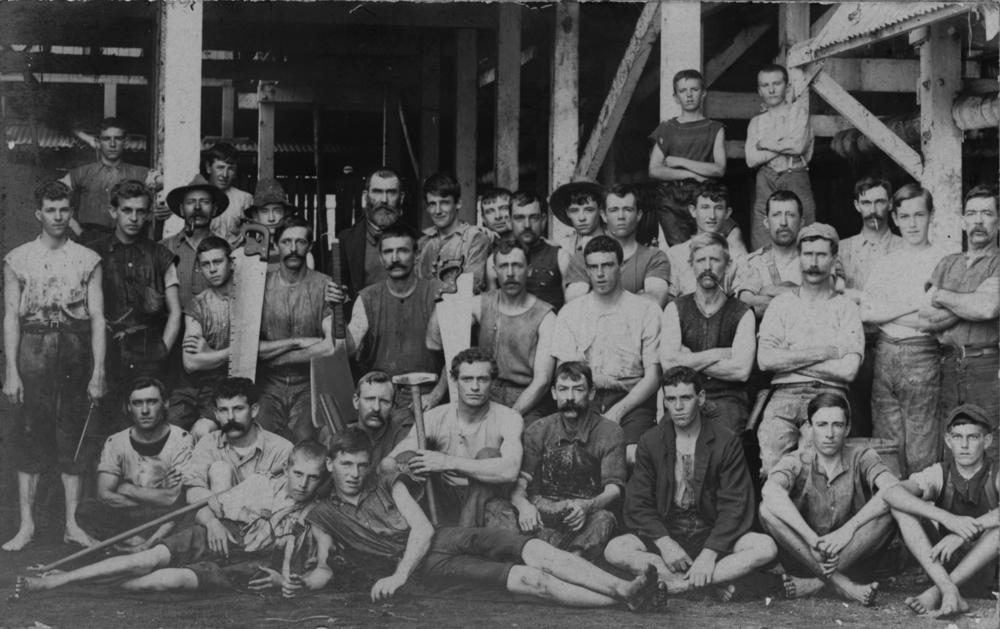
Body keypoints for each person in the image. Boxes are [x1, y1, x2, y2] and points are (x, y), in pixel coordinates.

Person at [306, 427, 661, 610]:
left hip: (440, 538)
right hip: (426, 570)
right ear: (329, 463)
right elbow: (323, 566)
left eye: (361, 464)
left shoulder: (384, 481)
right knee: (529, 579)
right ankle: (624, 598)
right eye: (345, 464)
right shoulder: (323, 513)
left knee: (533, 548)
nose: (354, 473)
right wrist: (292, 580)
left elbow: (423, 528)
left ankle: (622, 587)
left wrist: (398, 575)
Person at [16, 441, 330, 598]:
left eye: (312, 478)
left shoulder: (318, 514)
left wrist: (279, 580)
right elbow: (205, 507)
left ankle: (80, 584)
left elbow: (308, 568)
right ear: (287, 468)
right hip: (217, 536)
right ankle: (55, 580)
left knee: (164, 580)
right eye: (298, 473)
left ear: (321, 479)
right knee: (148, 558)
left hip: (247, 564)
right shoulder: (261, 483)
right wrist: (214, 523)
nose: (303, 483)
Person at [605, 367, 777, 599]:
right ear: (664, 401)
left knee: (765, 547)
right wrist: (665, 543)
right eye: (671, 399)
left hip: (711, 534)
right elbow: (638, 502)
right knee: (615, 549)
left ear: (701, 398)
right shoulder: (651, 441)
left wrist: (709, 554)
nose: (678, 407)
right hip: (669, 532)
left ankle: (679, 585)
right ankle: (707, 581)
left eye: (686, 398)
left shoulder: (726, 441)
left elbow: (735, 504)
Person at [2, 180, 107, 551]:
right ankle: (27, 525)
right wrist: (12, 372)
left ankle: (71, 524)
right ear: (38, 213)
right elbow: (11, 317)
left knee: (72, 436)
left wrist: (98, 371)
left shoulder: (86, 258)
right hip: (32, 348)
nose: (58, 216)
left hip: (75, 348)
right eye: (51, 209)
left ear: (71, 211)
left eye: (64, 209)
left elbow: (97, 318)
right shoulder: (18, 258)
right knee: (30, 433)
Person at [759, 392, 897, 607]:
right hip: (804, 555)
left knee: (892, 508)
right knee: (766, 509)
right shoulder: (796, 460)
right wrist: (812, 540)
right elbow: (770, 490)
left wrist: (848, 530)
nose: (830, 433)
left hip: (853, 556)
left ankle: (815, 583)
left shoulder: (862, 456)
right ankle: (843, 585)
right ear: (809, 428)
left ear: (847, 428)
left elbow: (893, 487)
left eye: (837, 425)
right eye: (822, 425)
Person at [756, 223, 864, 475]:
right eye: (807, 254)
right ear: (799, 257)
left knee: (817, 472)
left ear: (834, 259)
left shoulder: (846, 308)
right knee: (773, 471)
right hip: (782, 397)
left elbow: (848, 371)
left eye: (821, 255)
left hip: (829, 396)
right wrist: (824, 352)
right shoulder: (781, 304)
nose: (813, 262)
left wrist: (790, 359)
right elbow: (765, 360)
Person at [170, 237, 304, 438]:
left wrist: (212, 354)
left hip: (228, 384)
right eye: (206, 264)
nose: (212, 269)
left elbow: (258, 352)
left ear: (231, 263)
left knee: (202, 430)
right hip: (192, 386)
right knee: (171, 433)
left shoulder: (252, 300)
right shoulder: (197, 304)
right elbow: (191, 363)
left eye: (218, 262)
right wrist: (238, 349)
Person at [551, 236, 662, 464]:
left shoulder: (646, 310)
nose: (600, 274)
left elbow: (653, 376)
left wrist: (618, 411)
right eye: (593, 267)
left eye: (607, 265)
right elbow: (566, 373)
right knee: (573, 456)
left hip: (631, 399)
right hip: (583, 397)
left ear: (621, 266)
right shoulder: (571, 313)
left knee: (632, 457)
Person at [861, 184, 947, 475]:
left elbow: (934, 318)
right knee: (886, 442)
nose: (912, 223)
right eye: (905, 216)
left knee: (922, 443)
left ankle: (922, 518)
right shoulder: (887, 262)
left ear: (930, 216)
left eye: (919, 215)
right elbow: (867, 313)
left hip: (923, 355)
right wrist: (911, 305)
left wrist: (890, 311)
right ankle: (890, 516)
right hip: (885, 355)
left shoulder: (942, 260)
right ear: (894, 218)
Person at [387, 348, 524, 528]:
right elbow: (393, 461)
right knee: (410, 460)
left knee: (488, 454)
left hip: (487, 501)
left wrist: (448, 462)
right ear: (454, 380)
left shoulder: (509, 418)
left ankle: (461, 537)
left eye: (482, 379)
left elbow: (510, 470)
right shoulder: (434, 417)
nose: (475, 387)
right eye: (467, 379)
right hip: (443, 501)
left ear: (493, 382)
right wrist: (408, 462)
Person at [885, 404, 999, 618]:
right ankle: (947, 590)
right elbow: (892, 493)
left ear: (987, 441)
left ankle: (937, 593)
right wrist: (948, 519)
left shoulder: (996, 472)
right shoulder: (940, 473)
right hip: (944, 565)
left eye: (973, 437)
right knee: (902, 509)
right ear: (948, 441)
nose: (964, 445)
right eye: (957, 437)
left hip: (988, 573)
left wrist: (963, 533)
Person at [507, 362, 626, 559]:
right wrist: (523, 506)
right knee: (497, 509)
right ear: (554, 393)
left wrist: (588, 506)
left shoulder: (611, 432)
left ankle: (571, 561)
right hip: (542, 512)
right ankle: (531, 554)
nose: (570, 397)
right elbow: (520, 483)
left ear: (591, 393)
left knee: (605, 519)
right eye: (563, 389)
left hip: (583, 516)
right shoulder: (538, 429)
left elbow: (614, 490)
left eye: (578, 389)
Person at [430, 240, 556, 423]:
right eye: (504, 266)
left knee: (525, 439)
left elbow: (542, 382)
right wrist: (446, 296)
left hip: (526, 401)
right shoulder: (481, 304)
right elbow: (439, 342)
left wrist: (509, 418)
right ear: (495, 270)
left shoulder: (546, 316)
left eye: (517, 266)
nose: (510, 273)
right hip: (482, 391)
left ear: (529, 270)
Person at [922, 184, 1000, 463]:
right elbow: (925, 318)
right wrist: (970, 302)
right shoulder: (947, 263)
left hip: (987, 366)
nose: (978, 221)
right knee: (951, 441)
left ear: (998, 220)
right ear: (963, 221)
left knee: (989, 442)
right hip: (947, 364)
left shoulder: (997, 262)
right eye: (972, 213)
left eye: (987, 213)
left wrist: (942, 295)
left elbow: (988, 307)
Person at [88, 179, 181, 410]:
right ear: (113, 211)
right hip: (107, 352)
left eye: (140, 212)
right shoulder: (93, 253)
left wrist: (163, 350)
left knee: (146, 416)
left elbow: (176, 313)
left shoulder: (161, 255)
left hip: (150, 352)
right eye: (127, 210)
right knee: (106, 419)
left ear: (148, 214)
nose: (133, 218)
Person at [331, 224, 445, 409]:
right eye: (388, 252)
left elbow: (456, 356)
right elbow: (349, 350)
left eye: (402, 251)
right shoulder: (368, 298)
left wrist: (435, 396)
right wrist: (336, 310)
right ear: (381, 258)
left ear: (416, 256)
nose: (395, 259)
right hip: (382, 400)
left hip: (428, 398)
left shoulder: (438, 294)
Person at [75, 378, 193, 549]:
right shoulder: (115, 442)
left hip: (166, 517)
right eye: (138, 403)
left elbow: (174, 497)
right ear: (129, 407)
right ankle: (136, 541)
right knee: (87, 510)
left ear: (165, 404)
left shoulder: (181, 439)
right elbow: (104, 494)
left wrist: (126, 488)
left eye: (152, 402)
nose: (145, 410)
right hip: (133, 515)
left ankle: (139, 543)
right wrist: (157, 495)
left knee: (186, 512)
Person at [660, 232, 756, 433]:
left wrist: (686, 360)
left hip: (728, 400)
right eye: (701, 260)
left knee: (720, 450)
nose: (707, 267)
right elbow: (668, 364)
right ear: (691, 265)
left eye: (714, 260)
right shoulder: (675, 309)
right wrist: (718, 353)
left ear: (728, 265)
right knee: (665, 445)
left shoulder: (743, 313)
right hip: (684, 398)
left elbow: (741, 371)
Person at [257, 215, 336, 442]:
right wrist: (298, 341)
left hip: (310, 383)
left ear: (310, 246)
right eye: (286, 242)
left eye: (300, 242)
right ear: (275, 245)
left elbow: (331, 346)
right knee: (262, 437)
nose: (293, 249)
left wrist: (283, 358)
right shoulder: (261, 286)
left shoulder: (324, 285)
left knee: (306, 437)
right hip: (268, 384)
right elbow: (251, 349)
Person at [839, 177, 903, 437]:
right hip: (855, 345)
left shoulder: (903, 247)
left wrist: (857, 296)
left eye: (879, 202)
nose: (873, 209)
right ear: (856, 205)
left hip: (892, 344)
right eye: (866, 202)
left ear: (889, 205)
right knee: (856, 422)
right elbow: (836, 297)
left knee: (890, 425)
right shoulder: (842, 249)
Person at [647, 69, 728, 247]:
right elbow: (654, 170)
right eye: (683, 91)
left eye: (694, 89)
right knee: (681, 251)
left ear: (704, 93)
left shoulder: (715, 128)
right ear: (676, 97)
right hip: (670, 198)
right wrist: (690, 175)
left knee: (707, 246)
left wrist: (679, 161)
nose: (689, 95)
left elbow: (719, 169)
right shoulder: (667, 128)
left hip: (703, 197)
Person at [184, 378, 293, 505]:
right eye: (223, 410)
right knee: (220, 470)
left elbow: (284, 501)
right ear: (216, 414)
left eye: (238, 409)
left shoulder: (282, 449)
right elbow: (192, 492)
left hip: (262, 520)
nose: (230, 417)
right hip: (218, 520)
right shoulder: (207, 443)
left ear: (254, 410)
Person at [565, 184, 672, 307]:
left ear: (639, 215)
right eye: (614, 210)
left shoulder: (654, 257)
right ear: (604, 215)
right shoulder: (582, 258)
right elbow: (575, 306)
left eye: (627, 209)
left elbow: (654, 302)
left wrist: (598, 298)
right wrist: (638, 296)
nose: (621, 216)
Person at [745, 64, 816, 250]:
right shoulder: (756, 122)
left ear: (787, 86)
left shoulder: (798, 112)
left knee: (805, 230)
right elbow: (751, 159)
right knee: (762, 232)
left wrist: (765, 144)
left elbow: (799, 146)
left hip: (795, 173)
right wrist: (785, 144)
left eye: (776, 83)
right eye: (765, 85)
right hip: (765, 178)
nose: (771, 89)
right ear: (759, 90)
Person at [60, 117, 151, 237]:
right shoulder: (82, 173)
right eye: (106, 139)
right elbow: (52, 197)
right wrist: (77, 229)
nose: (112, 144)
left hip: (128, 241)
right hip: (91, 241)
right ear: (98, 142)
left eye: (117, 139)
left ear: (126, 142)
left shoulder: (140, 173)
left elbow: (163, 194)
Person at [488, 191, 570, 310]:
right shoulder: (494, 260)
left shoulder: (560, 257)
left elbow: (570, 310)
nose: (527, 225)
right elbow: (492, 311)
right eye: (519, 218)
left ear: (543, 220)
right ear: (509, 222)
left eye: (533, 217)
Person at [665, 182, 747, 299]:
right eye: (705, 207)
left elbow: (741, 301)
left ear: (727, 213)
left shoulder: (737, 256)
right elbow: (669, 298)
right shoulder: (674, 254)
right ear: (693, 211)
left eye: (718, 208)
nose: (712, 216)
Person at [734, 190, 807, 319]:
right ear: (766, 222)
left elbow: (823, 301)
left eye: (790, 215)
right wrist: (801, 295)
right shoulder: (753, 262)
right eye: (776, 215)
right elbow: (745, 305)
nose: (783, 222)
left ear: (801, 222)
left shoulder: (814, 259)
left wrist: (769, 290)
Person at [160, 174, 230, 311]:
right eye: (191, 202)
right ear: (181, 209)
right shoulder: (163, 248)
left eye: (204, 201)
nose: (197, 207)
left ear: (214, 209)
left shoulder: (227, 250)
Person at [415, 172, 491, 293]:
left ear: (458, 203)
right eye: (432, 204)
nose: (438, 211)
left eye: (444, 202)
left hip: (459, 310)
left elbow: (470, 288)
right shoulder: (421, 240)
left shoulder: (475, 238)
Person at [338, 168, 406, 296]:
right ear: (365, 197)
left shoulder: (420, 241)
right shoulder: (345, 241)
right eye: (377, 192)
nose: (384, 200)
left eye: (391, 192)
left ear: (401, 198)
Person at [341, 371, 414, 466]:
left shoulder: (401, 438)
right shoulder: (339, 435)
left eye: (384, 401)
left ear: (393, 406)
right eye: (370, 399)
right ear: (356, 401)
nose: (376, 408)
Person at [243, 178, 314, 269]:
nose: (271, 218)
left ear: (285, 214)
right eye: (264, 211)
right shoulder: (247, 253)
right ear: (256, 216)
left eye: (277, 211)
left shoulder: (301, 255)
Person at [201, 142, 254, 246]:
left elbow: (250, 237)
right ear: (208, 167)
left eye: (230, 169)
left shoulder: (244, 199)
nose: (225, 175)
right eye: (220, 168)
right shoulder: (197, 197)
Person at [549, 180, 607, 255]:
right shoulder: (561, 247)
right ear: (567, 213)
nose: (581, 218)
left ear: (600, 210)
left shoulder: (617, 242)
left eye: (589, 210)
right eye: (574, 211)